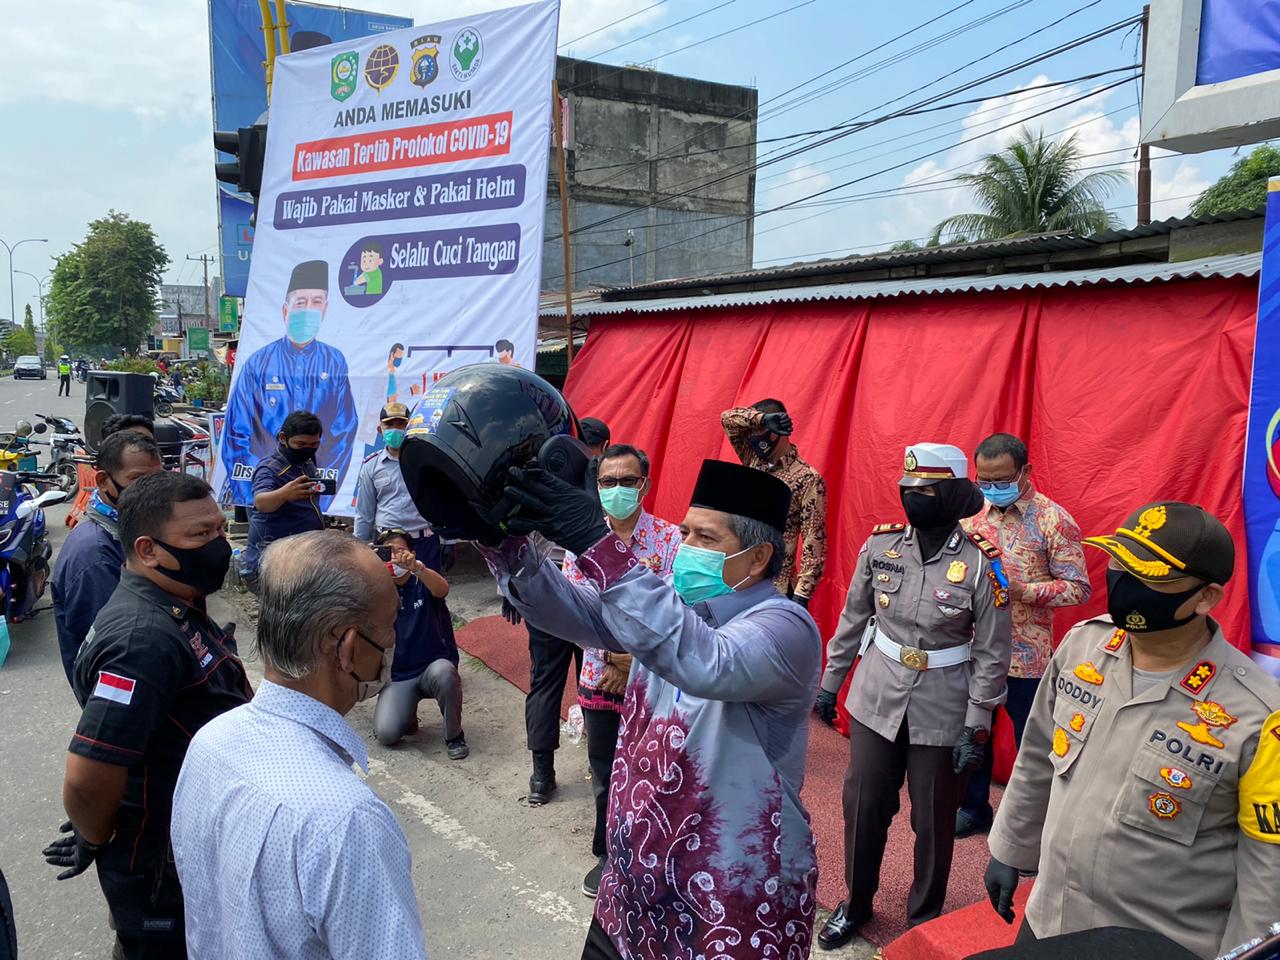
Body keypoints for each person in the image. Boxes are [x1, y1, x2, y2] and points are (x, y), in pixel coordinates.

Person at [488, 457, 821, 960]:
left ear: (757, 559)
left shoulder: (785, 627)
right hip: (631, 889)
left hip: (728, 907)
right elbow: (574, 613)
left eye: (706, 538)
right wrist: (504, 544)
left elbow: (708, 661)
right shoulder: (668, 601)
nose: (685, 548)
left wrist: (598, 543)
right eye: (684, 533)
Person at [984, 501, 1280, 958]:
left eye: (1149, 578)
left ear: (1206, 597)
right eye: (1120, 564)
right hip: (1051, 920)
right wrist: (1010, 848)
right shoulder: (1083, 647)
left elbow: (1267, 869)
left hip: (1158, 943)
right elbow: (1039, 755)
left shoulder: (1257, 716)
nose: (1124, 583)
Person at [171, 529, 428, 960]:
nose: (392, 644)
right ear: (347, 648)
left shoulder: (209, 743)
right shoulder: (347, 821)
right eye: (389, 628)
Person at [44, 472, 250, 958]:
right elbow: (88, 777)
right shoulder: (142, 641)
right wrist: (94, 834)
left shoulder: (174, 600)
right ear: (148, 549)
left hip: (193, 839)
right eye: (200, 535)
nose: (219, 545)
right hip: (161, 867)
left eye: (220, 530)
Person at [815, 443, 1012, 949]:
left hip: (944, 705)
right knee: (863, 805)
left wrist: (977, 723)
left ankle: (923, 919)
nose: (912, 499)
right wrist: (830, 684)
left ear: (953, 496)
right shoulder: (881, 546)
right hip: (877, 694)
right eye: (908, 490)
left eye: (926, 491)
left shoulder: (982, 564)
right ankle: (856, 902)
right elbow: (853, 619)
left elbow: (991, 653)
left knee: (934, 818)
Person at [560, 443, 681, 898]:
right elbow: (572, 609)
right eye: (608, 482)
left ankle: (652, 855)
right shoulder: (581, 542)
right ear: (597, 487)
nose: (618, 489)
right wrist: (614, 658)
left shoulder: (669, 540)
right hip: (600, 676)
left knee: (654, 769)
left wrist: (637, 660)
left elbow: (674, 608)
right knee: (605, 770)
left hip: (654, 680)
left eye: (627, 481)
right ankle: (609, 855)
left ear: (644, 485)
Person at [956, 432, 1091, 837]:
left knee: (1033, 745)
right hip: (974, 649)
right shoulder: (971, 514)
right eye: (984, 480)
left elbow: (1078, 588)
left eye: (1001, 480)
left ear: (1025, 471)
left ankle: (1033, 826)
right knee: (973, 734)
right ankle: (973, 808)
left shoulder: (1053, 520)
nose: (992, 488)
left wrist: (1024, 591)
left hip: (1027, 658)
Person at [220, 259, 358, 505]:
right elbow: (236, 436)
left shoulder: (334, 361)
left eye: (316, 302)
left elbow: (343, 433)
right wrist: (263, 496)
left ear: (325, 309)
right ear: (286, 310)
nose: (308, 310)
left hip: (311, 494)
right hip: (264, 492)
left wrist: (316, 497)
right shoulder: (258, 364)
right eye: (301, 302)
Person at [52, 431, 164, 686]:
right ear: (103, 481)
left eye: (157, 479)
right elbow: (120, 644)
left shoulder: (131, 528)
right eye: (138, 480)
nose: (152, 491)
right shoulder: (94, 555)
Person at [721, 399, 827, 607]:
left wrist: (801, 596)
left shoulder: (807, 478)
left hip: (774, 587)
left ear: (778, 431)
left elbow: (814, 540)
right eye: (750, 431)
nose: (752, 437)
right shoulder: (752, 459)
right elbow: (726, 419)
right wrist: (760, 419)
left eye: (758, 431)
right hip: (737, 576)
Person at [371, 528, 466, 757]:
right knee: (387, 734)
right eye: (388, 552)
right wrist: (366, 566)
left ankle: (454, 736)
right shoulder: (376, 590)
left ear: (412, 553)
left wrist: (417, 568)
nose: (395, 557)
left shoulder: (422, 579)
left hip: (432, 667)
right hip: (398, 676)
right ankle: (408, 715)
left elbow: (442, 589)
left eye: (400, 550)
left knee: (445, 673)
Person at [241, 410, 326, 594]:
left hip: (300, 556)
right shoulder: (269, 468)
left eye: (314, 444)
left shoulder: (307, 463)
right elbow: (261, 502)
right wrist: (284, 494)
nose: (308, 449)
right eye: (300, 444)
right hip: (272, 563)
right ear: (283, 438)